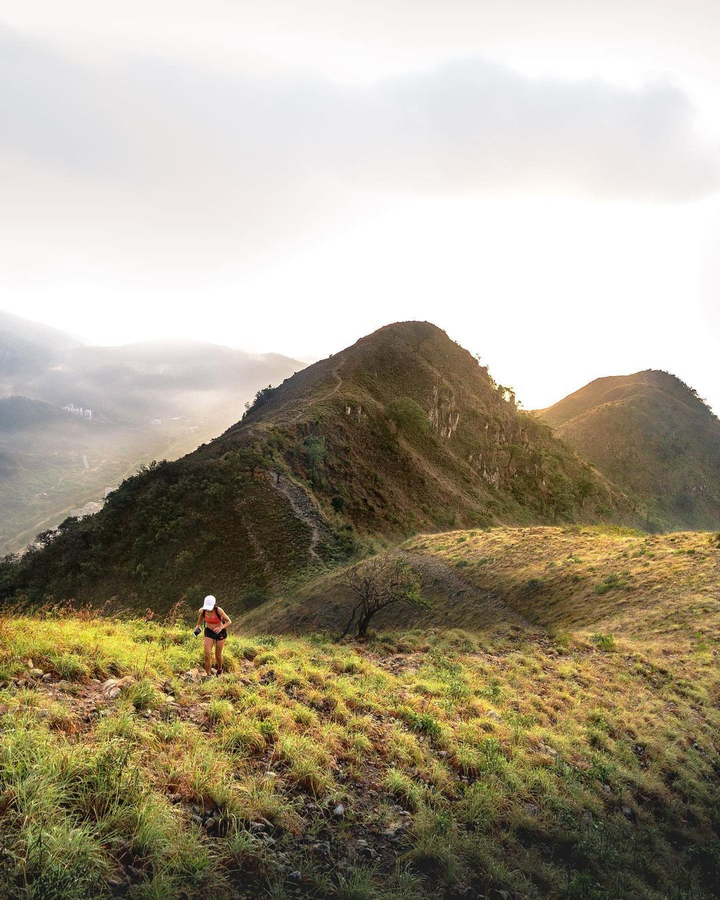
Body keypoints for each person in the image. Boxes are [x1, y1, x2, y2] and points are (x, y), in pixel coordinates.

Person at [194, 595, 231, 676]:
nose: (208, 609)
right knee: (207, 654)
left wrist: (221, 627)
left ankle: (220, 669)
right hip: (209, 632)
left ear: (214, 605)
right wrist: (198, 625)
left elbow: (229, 621)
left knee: (218, 655)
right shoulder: (203, 611)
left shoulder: (219, 610)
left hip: (220, 633)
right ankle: (208, 674)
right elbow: (201, 617)